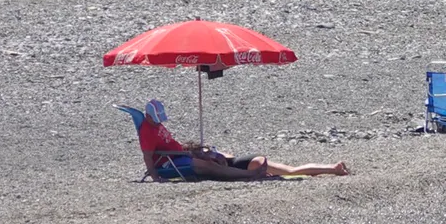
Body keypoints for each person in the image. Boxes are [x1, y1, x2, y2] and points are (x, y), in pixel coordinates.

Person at [133, 99, 348, 181]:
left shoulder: (157, 127)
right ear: (150, 115)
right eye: (157, 119)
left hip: (233, 162)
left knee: (290, 170)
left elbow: (219, 157)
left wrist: (212, 154)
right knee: (289, 171)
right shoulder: (147, 131)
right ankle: (250, 175)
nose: (160, 122)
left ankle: (332, 168)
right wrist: (155, 176)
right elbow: (148, 157)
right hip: (175, 163)